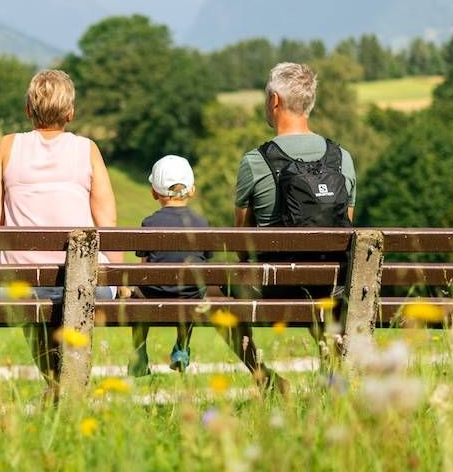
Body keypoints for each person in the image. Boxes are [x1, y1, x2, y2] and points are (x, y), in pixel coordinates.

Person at [0, 69, 122, 390]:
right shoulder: (88, 149)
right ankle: (69, 384)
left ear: (28, 110)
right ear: (70, 113)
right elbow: (107, 223)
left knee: (29, 299)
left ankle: (54, 383)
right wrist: (118, 276)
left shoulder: (7, 147)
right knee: (78, 295)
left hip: (20, 284)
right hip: (85, 282)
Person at [231, 62, 357, 391]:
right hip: (332, 286)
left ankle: (266, 379)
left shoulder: (255, 161)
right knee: (329, 291)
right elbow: (347, 228)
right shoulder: (342, 158)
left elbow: (241, 242)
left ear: (274, 100)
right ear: (309, 102)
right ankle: (331, 380)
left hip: (275, 286)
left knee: (224, 292)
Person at [128, 155, 210, 378]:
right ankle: (182, 349)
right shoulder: (202, 223)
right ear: (191, 191)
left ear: (154, 192)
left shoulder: (150, 223)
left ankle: (139, 353)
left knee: (139, 294)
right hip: (191, 294)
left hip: (155, 292)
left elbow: (143, 269)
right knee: (194, 293)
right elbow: (206, 262)